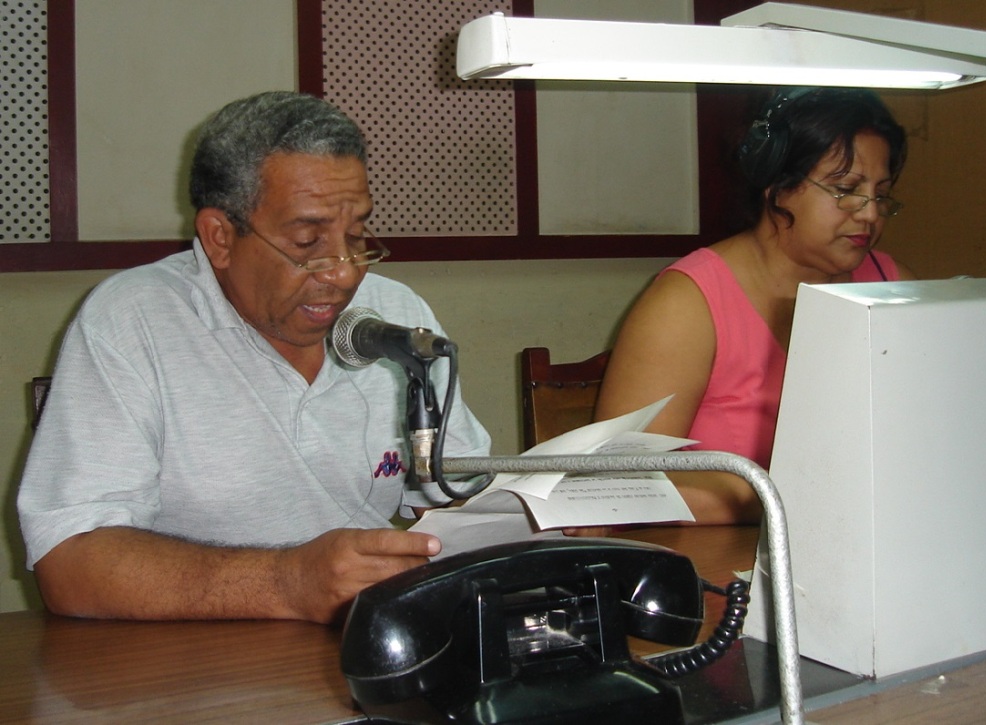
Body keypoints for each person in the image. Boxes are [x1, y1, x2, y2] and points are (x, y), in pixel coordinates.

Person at [17, 91, 491, 623]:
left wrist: (544, 517)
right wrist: (284, 582)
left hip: (361, 649)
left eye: (356, 235)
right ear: (220, 237)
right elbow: (70, 562)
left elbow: (454, 496)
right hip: (192, 674)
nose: (344, 273)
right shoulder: (132, 321)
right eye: (308, 241)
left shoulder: (394, 314)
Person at [594, 87, 914, 524]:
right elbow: (620, 482)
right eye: (845, 190)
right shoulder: (687, 304)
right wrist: (788, 493)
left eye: (881, 194)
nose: (869, 214)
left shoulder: (891, 285)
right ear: (778, 186)